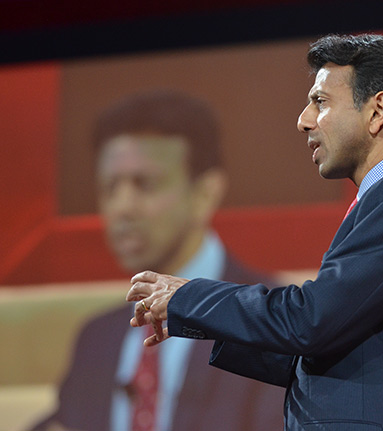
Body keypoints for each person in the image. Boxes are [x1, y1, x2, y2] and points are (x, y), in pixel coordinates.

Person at [127, 34, 383, 431]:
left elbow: (311, 321)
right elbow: (330, 346)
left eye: (321, 102)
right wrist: (198, 317)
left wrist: (191, 297)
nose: (303, 120)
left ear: (378, 110)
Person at [30, 90, 285, 431]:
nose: (122, 207)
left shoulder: (269, 321)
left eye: (144, 184)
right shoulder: (95, 340)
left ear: (204, 194)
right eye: (109, 188)